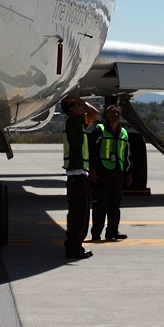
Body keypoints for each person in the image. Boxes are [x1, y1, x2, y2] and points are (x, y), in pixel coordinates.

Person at [62, 95, 99, 260]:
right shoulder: (73, 121)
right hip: (76, 175)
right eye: (77, 105)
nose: (82, 107)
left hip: (79, 174)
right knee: (79, 214)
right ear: (71, 108)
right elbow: (95, 113)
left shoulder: (76, 123)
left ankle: (75, 245)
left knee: (80, 213)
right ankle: (74, 247)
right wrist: (82, 100)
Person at [89, 104, 132, 242]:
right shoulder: (99, 130)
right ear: (106, 115)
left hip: (117, 172)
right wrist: (92, 169)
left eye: (118, 112)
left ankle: (112, 231)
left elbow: (127, 155)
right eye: (112, 112)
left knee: (115, 205)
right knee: (100, 204)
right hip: (102, 171)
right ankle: (96, 233)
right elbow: (91, 151)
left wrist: (128, 172)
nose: (116, 115)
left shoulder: (123, 132)